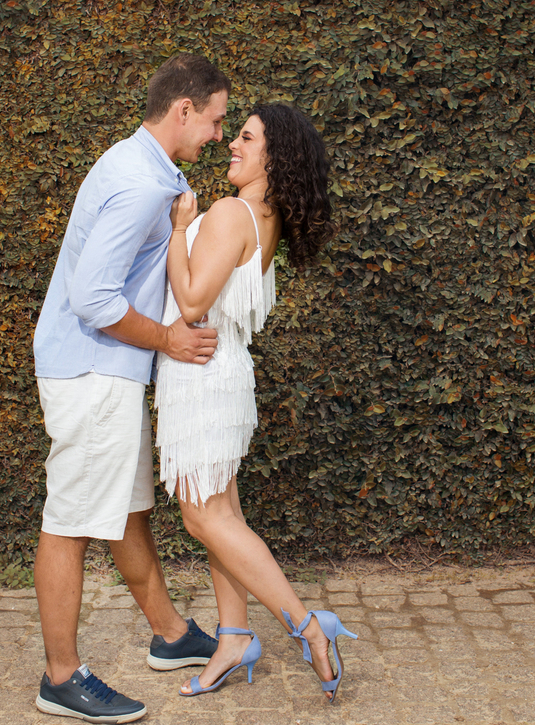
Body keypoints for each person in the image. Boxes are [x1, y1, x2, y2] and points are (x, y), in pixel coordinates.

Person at [31, 54, 231, 724]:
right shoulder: (143, 183)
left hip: (103, 368)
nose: (216, 136)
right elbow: (92, 297)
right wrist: (169, 339)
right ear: (183, 110)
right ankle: (61, 676)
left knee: (125, 509)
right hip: (91, 369)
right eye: (213, 120)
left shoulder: (141, 165)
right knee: (70, 520)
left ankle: (172, 636)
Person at [153, 103, 354, 704]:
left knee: (203, 518)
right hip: (225, 373)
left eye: (245, 138)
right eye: (234, 134)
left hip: (202, 377)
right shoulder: (265, 218)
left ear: (275, 155)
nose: (231, 145)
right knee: (224, 520)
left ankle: (306, 625)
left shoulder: (227, 214)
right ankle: (234, 637)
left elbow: (190, 303)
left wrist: (175, 231)